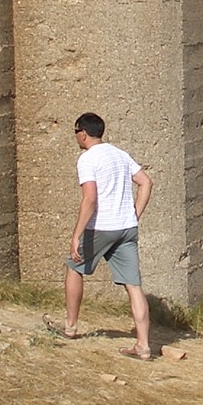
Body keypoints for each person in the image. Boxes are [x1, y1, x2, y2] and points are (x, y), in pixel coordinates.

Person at [54, 111, 155, 359]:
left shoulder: (88, 159)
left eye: (75, 132)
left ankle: (70, 326)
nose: (76, 137)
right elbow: (146, 182)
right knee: (133, 285)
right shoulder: (120, 154)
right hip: (126, 227)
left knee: (74, 267)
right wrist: (134, 214)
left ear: (83, 133)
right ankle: (143, 345)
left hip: (101, 227)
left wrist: (76, 234)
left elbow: (90, 198)